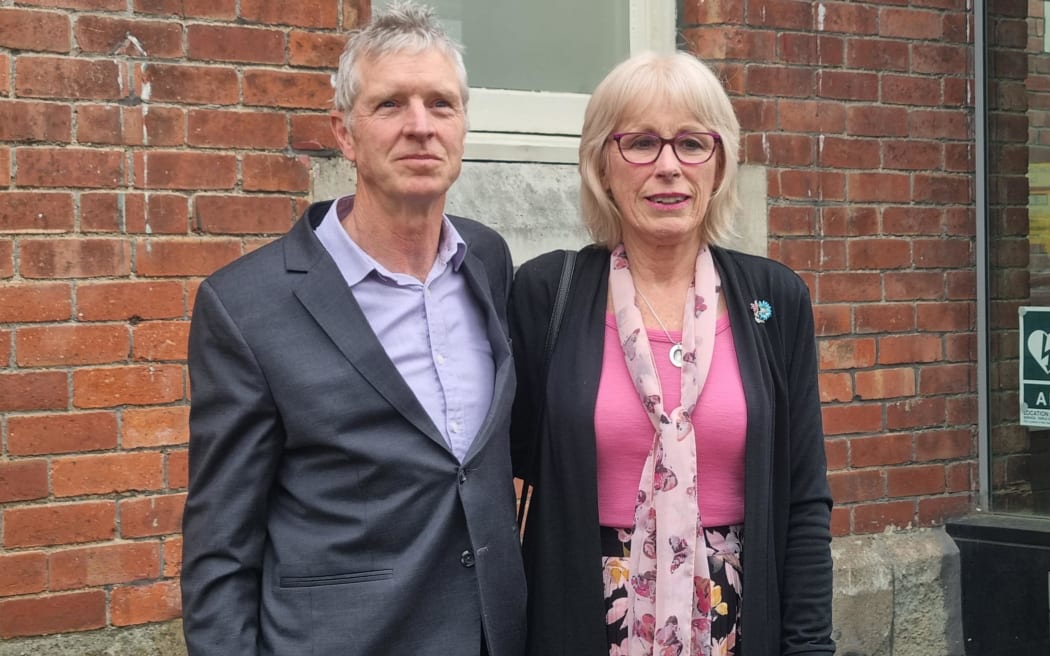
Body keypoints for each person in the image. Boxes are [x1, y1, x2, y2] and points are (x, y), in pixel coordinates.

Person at [180, 3, 526, 655]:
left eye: (441, 105)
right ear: (345, 132)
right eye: (391, 104)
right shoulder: (247, 306)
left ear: (463, 126)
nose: (420, 126)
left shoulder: (486, 262)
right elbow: (220, 553)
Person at [509, 51, 835, 656]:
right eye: (640, 143)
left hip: (734, 622)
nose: (668, 167)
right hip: (580, 617)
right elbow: (506, 477)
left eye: (691, 143)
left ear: (719, 165)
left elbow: (804, 500)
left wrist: (810, 646)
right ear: (603, 165)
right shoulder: (544, 294)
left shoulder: (774, 300)